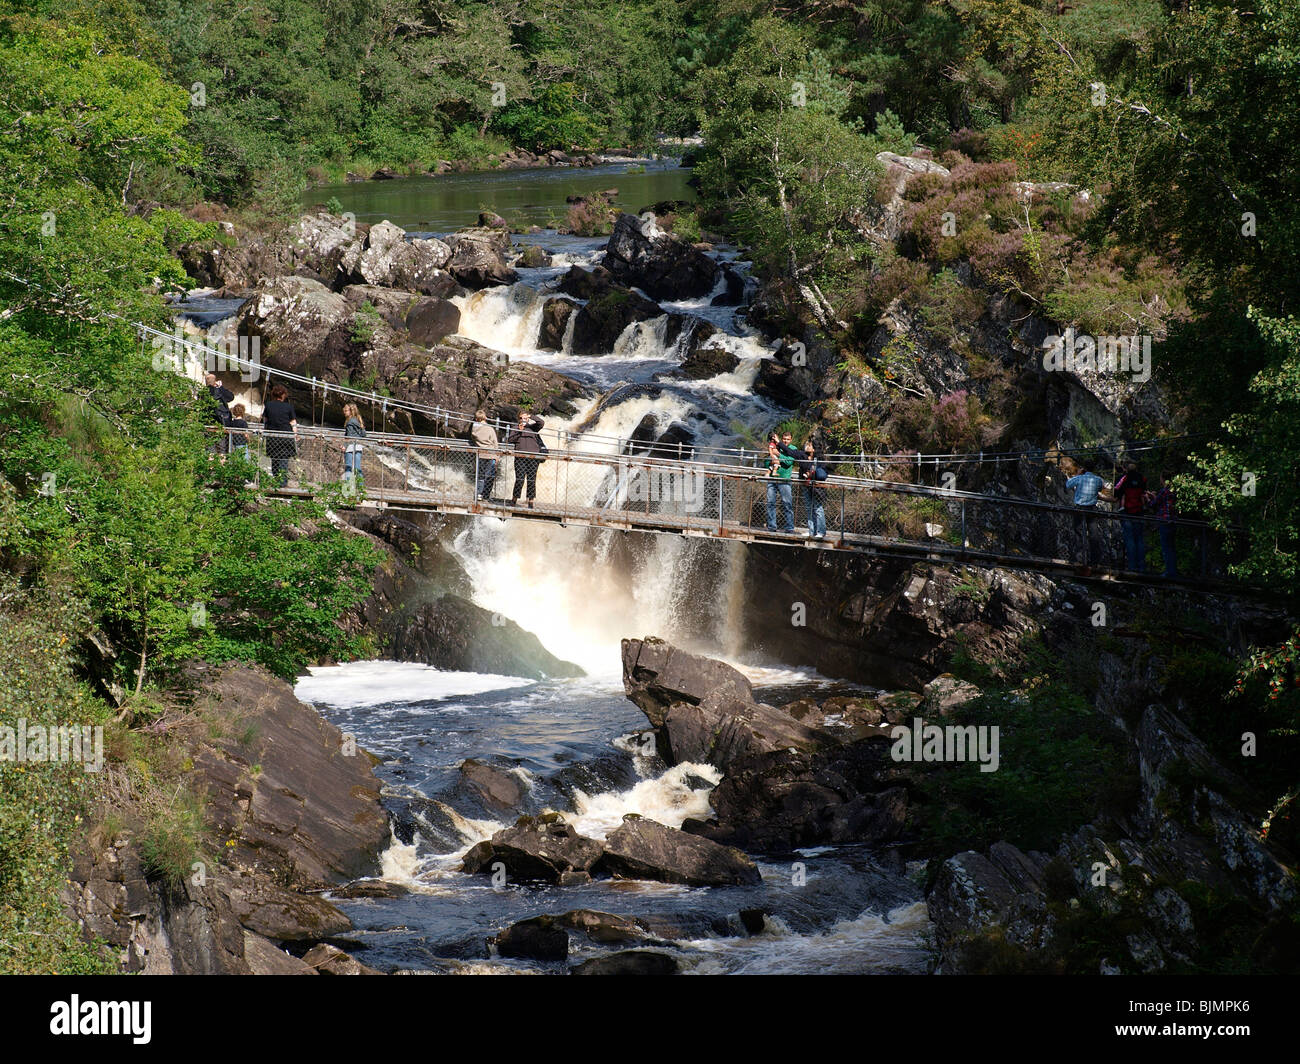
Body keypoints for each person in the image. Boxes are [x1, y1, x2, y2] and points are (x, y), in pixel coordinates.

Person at [1066, 458, 1106, 564]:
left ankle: (1079, 558)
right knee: (1093, 534)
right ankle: (1095, 560)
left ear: (1084, 468)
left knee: (1079, 532)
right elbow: (1101, 488)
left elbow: (1068, 484)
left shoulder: (1079, 478)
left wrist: (1078, 474)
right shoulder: (1098, 480)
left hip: (1080, 508)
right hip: (1092, 509)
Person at [1113, 461, 1148, 573]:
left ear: (1126, 470)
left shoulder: (1123, 479)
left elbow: (1116, 493)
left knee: (1129, 540)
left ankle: (1132, 566)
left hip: (1127, 512)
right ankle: (1141, 567)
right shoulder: (1142, 479)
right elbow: (1144, 492)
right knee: (1139, 540)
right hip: (1139, 511)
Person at [262, 384, 298, 486]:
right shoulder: (288, 407)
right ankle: (282, 483)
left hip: (273, 437)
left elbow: (265, 420)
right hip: (286, 436)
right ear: (283, 395)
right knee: (284, 460)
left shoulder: (268, 405)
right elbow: (293, 422)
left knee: (275, 459)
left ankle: (276, 480)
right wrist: (295, 435)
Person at [508, 411, 545, 508]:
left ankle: (531, 501)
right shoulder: (515, 428)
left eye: (525, 418)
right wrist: (519, 431)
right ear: (518, 419)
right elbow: (510, 439)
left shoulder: (532, 427)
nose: (523, 420)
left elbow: (541, 423)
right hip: (520, 457)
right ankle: (514, 499)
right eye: (521, 418)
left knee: (531, 480)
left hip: (533, 457)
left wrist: (531, 416)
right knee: (519, 479)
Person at [1149, 473, 1178, 578]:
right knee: (1172, 548)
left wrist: (1149, 498)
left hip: (1164, 521)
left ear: (1163, 479)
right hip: (1173, 521)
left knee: (1166, 548)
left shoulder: (1164, 491)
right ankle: (1173, 571)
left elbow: (1154, 504)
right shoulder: (1174, 490)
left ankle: (1169, 572)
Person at [799, 437, 828, 539]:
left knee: (818, 509)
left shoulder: (820, 460)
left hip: (816, 488)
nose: (807, 446)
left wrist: (811, 473)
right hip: (807, 485)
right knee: (809, 508)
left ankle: (821, 531)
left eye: (810, 445)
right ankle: (812, 531)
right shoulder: (804, 456)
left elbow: (821, 474)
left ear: (814, 449)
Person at [765, 435, 796, 532]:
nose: (786, 441)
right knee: (770, 503)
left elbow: (788, 462)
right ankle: (771, 526)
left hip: (784, 480)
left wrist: (778, 454)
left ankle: (789, 527)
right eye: (784, 439)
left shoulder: (792, 448)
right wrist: (771, 462)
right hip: (773, 479)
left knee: (787, 503)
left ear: (791, 440)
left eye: (788, 439)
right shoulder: (776, 446)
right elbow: (766, 462)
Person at [471, 409, 500, 501]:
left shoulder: (474, 429)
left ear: (476, 419)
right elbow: (495, 443)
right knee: (490, 476)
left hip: (480, 454)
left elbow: (473, 438)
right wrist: (497, 456)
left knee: (480, 476)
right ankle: (486, 495)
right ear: (485, 417)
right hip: (491, 454)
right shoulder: (490, 429)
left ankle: (479, 493)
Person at [205, 372, 234, 455]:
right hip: (221, 424)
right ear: (215, 382)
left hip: (208, 425)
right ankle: (222, 466)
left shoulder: (203, 393)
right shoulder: (219, 391)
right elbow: (231, 397)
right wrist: (221, 387)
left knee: (210, 450)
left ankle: (210, 467)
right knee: (222, 450)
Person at [342, 403, 366, 488]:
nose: (344, 412)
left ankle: (348, 488)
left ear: (351, 411)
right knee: (357, 468)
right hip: (358, 446)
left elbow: (349, 436)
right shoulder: (358, 421)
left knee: (348, 467)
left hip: (350, 447)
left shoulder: (350, 422)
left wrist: (344, 445)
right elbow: (364, 434)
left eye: (346, 411)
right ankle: (361, 488)